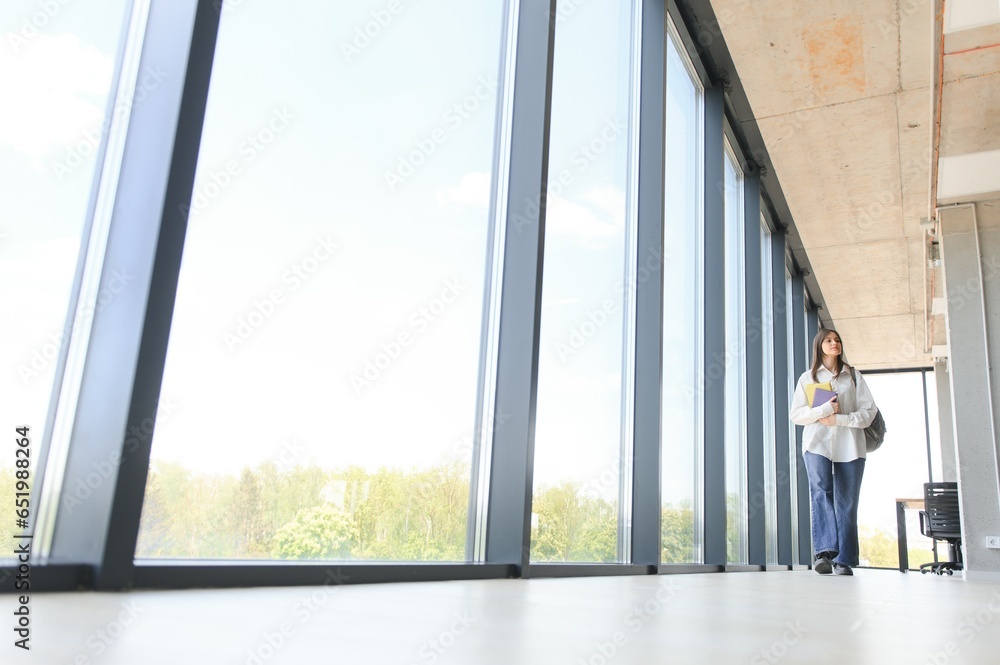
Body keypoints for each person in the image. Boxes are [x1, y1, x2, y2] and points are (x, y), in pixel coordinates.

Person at [789, 328, 877, 576]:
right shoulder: (808, 377)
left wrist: (839, 419)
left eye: (837, 340)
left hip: (850, 446)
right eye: (828, 340)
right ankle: (825, 554)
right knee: (821, 494)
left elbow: (868, 413)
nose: (834, 343)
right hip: (817, 444)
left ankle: (845, 560)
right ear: (819, 345)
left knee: (847, 502)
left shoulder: (854, 377)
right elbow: (796, 415)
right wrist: (823, 411)